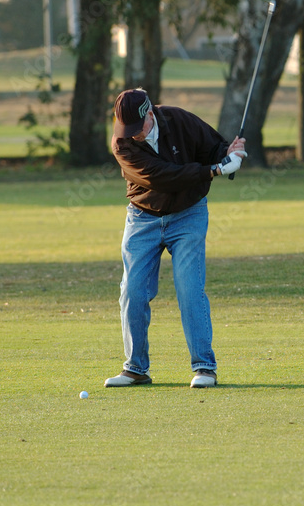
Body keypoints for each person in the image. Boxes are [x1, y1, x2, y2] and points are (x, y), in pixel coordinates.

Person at [104, 88, 246, 389]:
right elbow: (162, 176)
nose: (134, 135)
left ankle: (204, 367)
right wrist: (215, 170)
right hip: (142, 219)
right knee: (132, 291)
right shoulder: (121, 143)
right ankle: (136, 368)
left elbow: (213, 147)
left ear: (150, 114)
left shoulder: (179, 120)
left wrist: (230, 154)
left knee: (189, 288)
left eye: (138, 127)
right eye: (127, 129)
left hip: (188, 215)